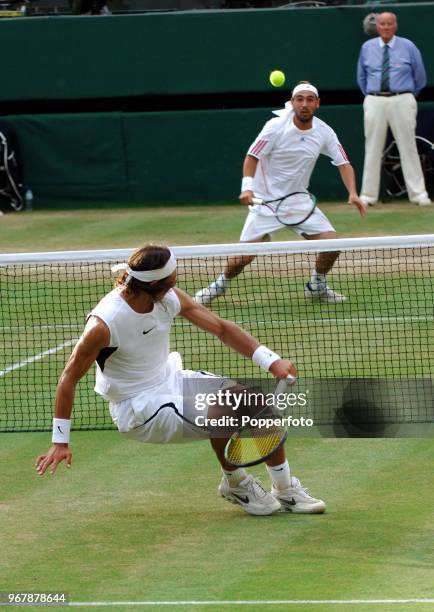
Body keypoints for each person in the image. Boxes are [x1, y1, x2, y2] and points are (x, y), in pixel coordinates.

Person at [35, 244, 326, 516]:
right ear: (153, 284)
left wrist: (271, 360)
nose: (176, 281)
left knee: (255, 402)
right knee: (224, 409)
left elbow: (222, 329)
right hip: (139, 408)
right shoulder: (105, 323)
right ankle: (236, 482)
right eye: (172, 277)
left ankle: (286, 490)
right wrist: (60, 440)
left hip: (170, 380)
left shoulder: (166, 297)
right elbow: (68, 377)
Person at [194, 81, 366, 307]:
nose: (304, 104)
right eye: (300, 99)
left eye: (309, 100)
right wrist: (247, 187)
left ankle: (317, 285)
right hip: (265, 202)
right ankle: (218, 286)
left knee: (331, 244)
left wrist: (353, 192)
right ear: (293, 102)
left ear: (317, 104)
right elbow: (252, 156)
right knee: (243, 257)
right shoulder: (275, 126)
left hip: (298, 200)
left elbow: (343, 163)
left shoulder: (325, 132)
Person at [357, 11, 431, 207]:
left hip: (402, 99)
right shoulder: (367, 48)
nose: (386, 27)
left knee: (408, 146)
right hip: (374, 100)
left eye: (389, 24)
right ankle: (367, 196)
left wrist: (407, 96)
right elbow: (361, 77)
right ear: (377, 26)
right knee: (372, 148)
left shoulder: (408, 46)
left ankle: (418, 194)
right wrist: (372, 96)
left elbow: (420, 76)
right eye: (382, 24)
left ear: (395, 26)